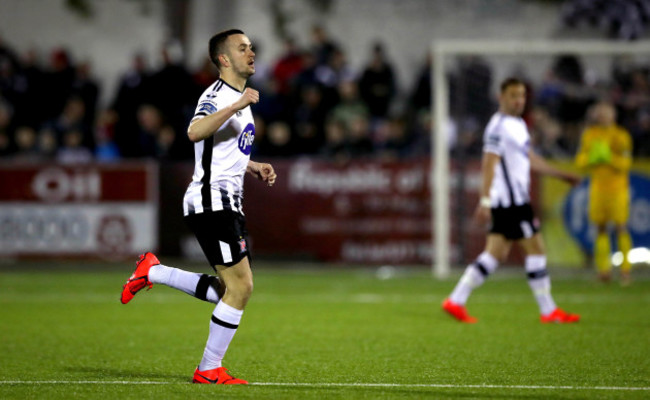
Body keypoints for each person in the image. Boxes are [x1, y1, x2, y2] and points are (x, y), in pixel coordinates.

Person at [120, 29, 277, 384]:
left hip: (227, 200)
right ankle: (208, 369)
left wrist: (252, 166)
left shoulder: (237, 97)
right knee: (241, 288)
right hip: (212, 201)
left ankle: (153, 271)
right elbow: (194, 132)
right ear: (224, 59)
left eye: (251, 47)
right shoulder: (218, 95)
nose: (251, 52)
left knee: (229, 290)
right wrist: (236, 106)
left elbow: (220, 151)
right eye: (242, 48)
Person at [442, 77, 581, 324]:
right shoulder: (497, 126)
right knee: (537, 250)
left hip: (510, 202)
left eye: (522, 95)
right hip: (511, 203)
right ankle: (548, 311)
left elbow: (530, 159)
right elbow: (489, 163)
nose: (519, 100)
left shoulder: (517, 125)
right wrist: (484, 201)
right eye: (513, 95)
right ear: (501, 97)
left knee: (495, 254)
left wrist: (561, 175)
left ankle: (456, 300)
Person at [575, 101, 633, 284]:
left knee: (620, 227)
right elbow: (580, 161)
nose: (601, 116)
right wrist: (591, 158)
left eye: (605, 112)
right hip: (598, 188)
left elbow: (626, 163)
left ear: (613, 115)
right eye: (599, 113)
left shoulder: (621, 136)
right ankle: (604, 270)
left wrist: (609, 158)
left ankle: (625, 270)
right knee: (600, 228)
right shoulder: (590, 135)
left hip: (617, 189)